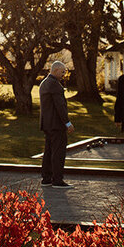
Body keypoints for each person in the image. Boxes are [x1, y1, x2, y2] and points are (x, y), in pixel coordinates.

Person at [39, 60, 75, 189]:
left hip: (47, 124)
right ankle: (57, 180)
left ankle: (46, 178)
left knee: (48, 151)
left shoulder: (44, 83)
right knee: (58, 152)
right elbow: (60, 106)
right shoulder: (55, 85)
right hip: (56, 124)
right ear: (56, 70)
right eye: (62, 71)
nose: (64, 74)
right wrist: (67, 123)